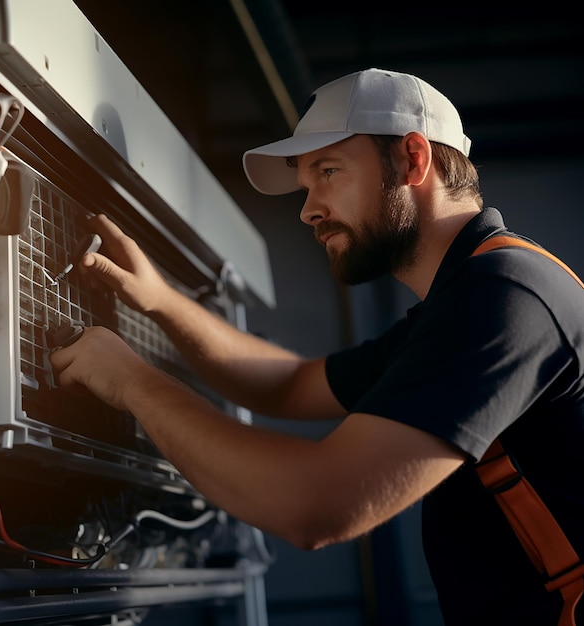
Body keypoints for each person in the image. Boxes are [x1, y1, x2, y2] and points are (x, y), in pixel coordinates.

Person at [50, 68, 584, 625]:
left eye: (328, 172)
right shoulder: (466, 300)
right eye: (308, 184)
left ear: (412, 160)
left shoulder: (502, 298)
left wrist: (132, 382)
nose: (308, 209)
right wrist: (160, 299)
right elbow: (288, 385)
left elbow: (316, 505)